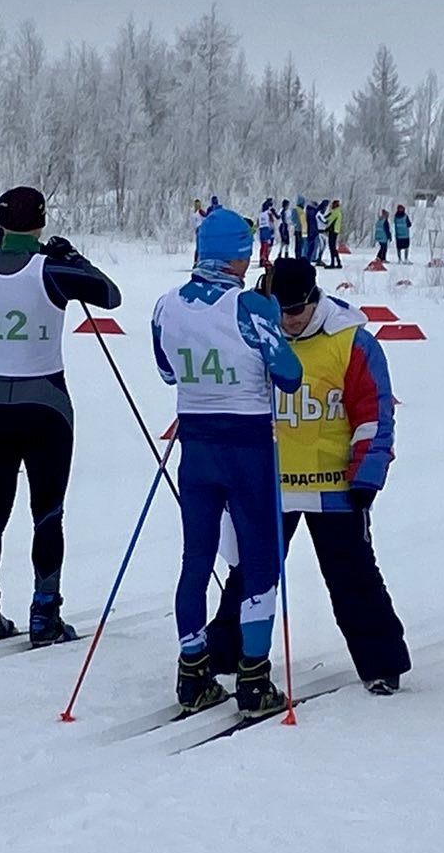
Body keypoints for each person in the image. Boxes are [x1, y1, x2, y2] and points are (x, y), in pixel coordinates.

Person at [201, 258, 408, 693]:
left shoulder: (351, 342)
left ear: (316, 300)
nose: (289, 323)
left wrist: (366, 475)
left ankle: (382, 663)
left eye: (296, 313)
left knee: (351, 576)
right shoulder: (258, 338)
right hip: (269, 486)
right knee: (249, 575)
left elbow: (374, 415)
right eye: (281, 315)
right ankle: (224, 652)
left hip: (334, 488)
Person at [153, 209, 303, 715]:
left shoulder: (165, 305)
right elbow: (288, 373)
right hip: (247, 445)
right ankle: (254, 680)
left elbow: (166, 373)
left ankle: (192, 671)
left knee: (195, 560)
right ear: (240, 255)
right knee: (260, 560)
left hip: (195, 445)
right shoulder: (252, 305)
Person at [0, 186, 122, 646]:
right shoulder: (50, 270)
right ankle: (44, 613)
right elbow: (109, 295)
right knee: (47, 513)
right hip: (47, 403)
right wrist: (71, 258)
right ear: (41, 221)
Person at [257, 198, 277, 268]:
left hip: (261, 229)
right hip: (267, 229)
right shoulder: (268, 213)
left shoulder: (260, 214)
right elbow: (272, 221)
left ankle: (261, 259)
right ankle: (265, 259)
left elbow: (258, 223)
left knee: (263, 245)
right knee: (267, 245)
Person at [325, 199, 344, 269]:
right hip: (336, 231)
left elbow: (330, 220)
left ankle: (333, 263)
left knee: (332, 247)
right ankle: (338, 262)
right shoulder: (338, 212)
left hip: (332, 231)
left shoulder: (335, 212)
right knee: (333, 248)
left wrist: (325, 228)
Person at [190, 199, 206, 265]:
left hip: (202, 229)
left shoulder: (202, 212)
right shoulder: (194, 213)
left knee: (201, 246)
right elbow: (193, 222)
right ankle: (196, 262)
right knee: (198, 247)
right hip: (199, 229)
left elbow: (205, 219)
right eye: (196, 205)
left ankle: (200, 261)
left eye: (198, 204)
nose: (197, 206)